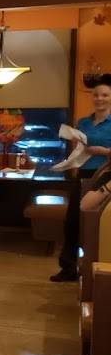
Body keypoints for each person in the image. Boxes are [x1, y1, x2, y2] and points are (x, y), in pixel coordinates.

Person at [52, 77, 111, 282]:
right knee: (72, 222)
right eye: (96, 95)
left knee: (98, 224)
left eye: (105, 95)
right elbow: (80, 149)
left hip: (105, 176)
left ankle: (96, 270)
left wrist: (104, 151)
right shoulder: (83, 123)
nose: (100, 99)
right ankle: (68, 268)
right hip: (83, 174)